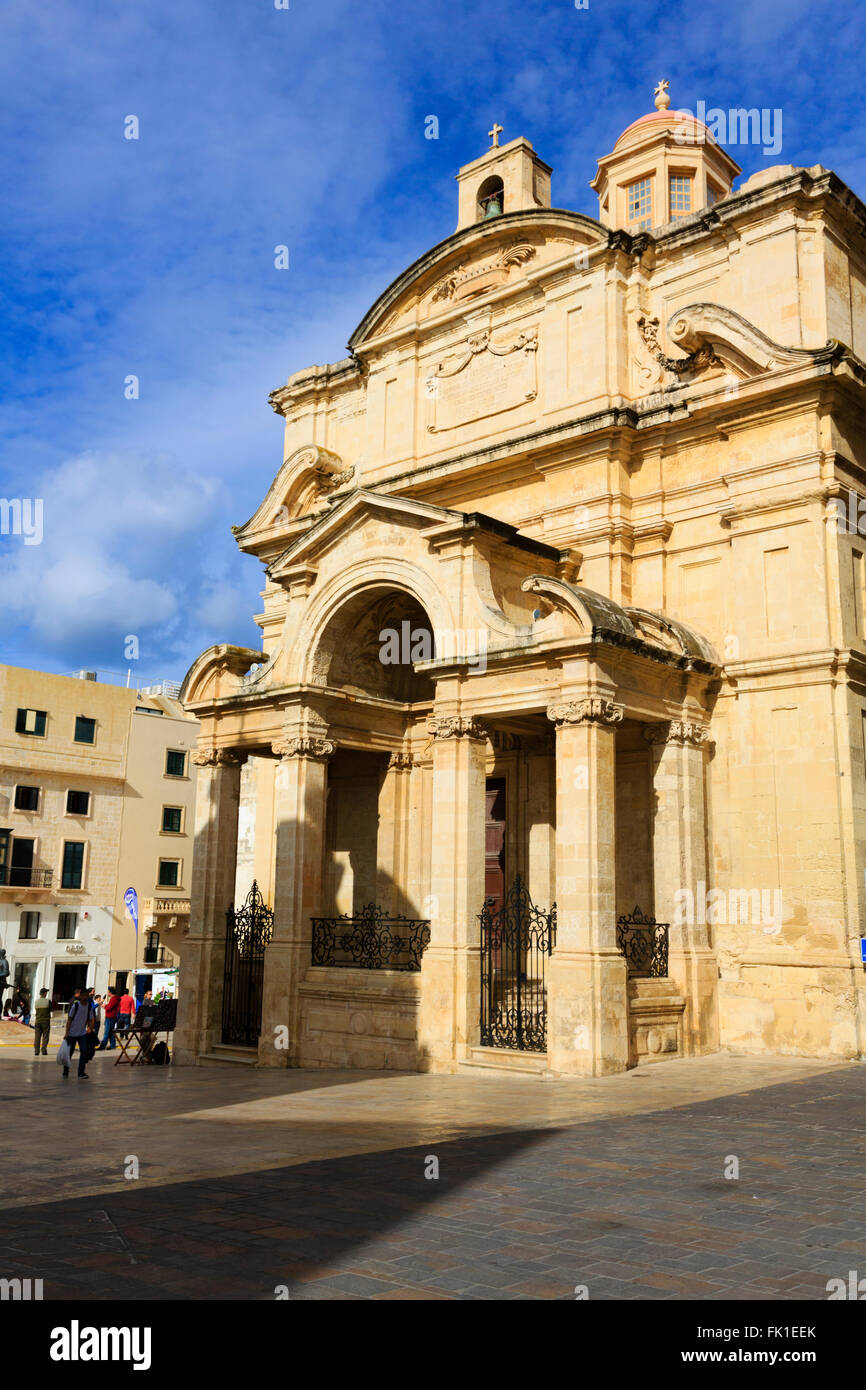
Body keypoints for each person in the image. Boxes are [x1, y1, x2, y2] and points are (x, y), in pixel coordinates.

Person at [63, 987, 95, 1079]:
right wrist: (66, 1033)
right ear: (80, 996)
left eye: (86, 995)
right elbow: (69, 1020)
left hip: (82, 1034)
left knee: (84, 1052)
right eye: (83, 995)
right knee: (69, 1053)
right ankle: (65, 1070)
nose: (85, 997)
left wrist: (90, 1028)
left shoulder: (89, 1006)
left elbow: (92, 1019)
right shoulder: (75, 1006)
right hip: (72, 1034)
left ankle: (81, 1072)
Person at [33, 988, 51, 1056]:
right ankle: (43, 1050)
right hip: (45, 1022)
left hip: (37, 1021)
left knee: (37, 1036)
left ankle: (36, 1051)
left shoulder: (36, 1001)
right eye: (46, 992)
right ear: (44, 993)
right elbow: (50, 1010)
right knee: (45, 1036)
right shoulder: (48, 1001)